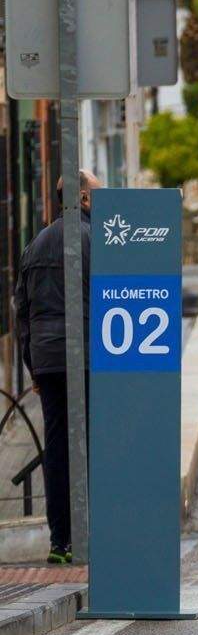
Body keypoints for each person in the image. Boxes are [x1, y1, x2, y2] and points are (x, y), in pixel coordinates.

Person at [15, 170, 99, 564]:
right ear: (82, 199)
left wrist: (32, 365)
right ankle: (91, 535)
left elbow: (23, 312)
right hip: (86, 356)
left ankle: (60, 541)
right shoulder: (94, 239)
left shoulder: (34, 244)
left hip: (47, 360)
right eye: (98, 197)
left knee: (58, 446)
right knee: (91, 442)